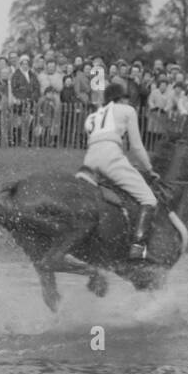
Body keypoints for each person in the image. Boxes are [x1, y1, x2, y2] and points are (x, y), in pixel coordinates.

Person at [82, 79, 161, 258]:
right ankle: (138, 246)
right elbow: (136, 147)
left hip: (89, 160)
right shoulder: (127, 110)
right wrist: (148, 168)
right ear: (122, 98)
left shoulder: (92, 116)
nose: (128, 101)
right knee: (149, 199)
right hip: (110, 157)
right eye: (127, 98)